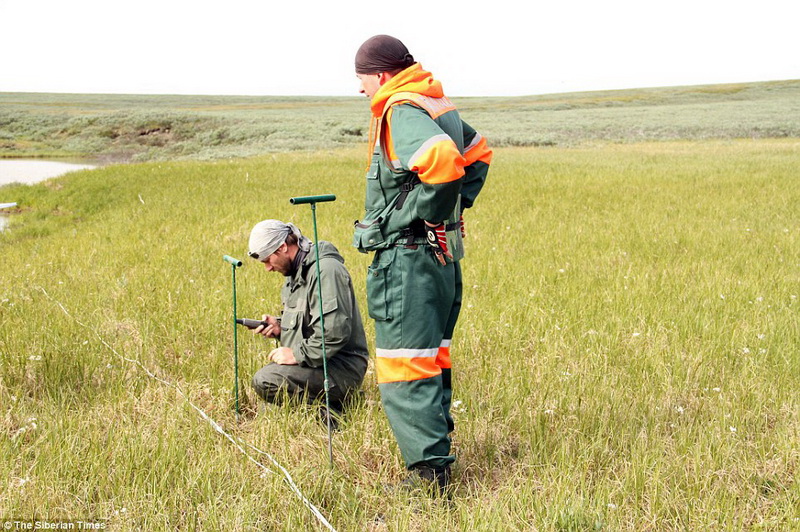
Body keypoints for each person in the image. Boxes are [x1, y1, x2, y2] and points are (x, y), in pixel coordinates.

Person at [352, 35, 492, 492]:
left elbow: (445, 163)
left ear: (382, 76)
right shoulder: (434, 101)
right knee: (431, 360)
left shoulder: (399, 109)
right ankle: (438, 462)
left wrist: (420, 215)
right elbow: (478, 154)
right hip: (440, 260)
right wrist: (452, 214)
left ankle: (429, 480)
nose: (360, 90)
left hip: (409, 264)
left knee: (405, 366)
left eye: (363, 80)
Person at [247, 219, 369, 426]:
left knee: (266, 380)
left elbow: (335, 332)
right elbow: (312, 321)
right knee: (270, 394)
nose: (268, 268)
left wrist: (296, 354)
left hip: (341, 367)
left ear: (283, 247)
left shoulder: (326, 271)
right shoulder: (295, 272)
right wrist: (279, 326)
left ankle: (334, 414)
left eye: (268, 260)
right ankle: (328, 402)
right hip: (319, 363)